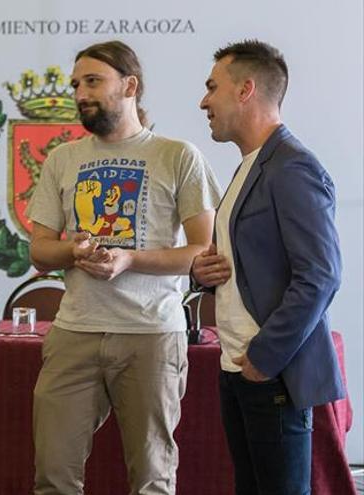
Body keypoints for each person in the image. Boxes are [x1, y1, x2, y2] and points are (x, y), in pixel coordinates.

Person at [27, 40, 221, 495]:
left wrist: (130, 258)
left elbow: (202, 250)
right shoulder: (62, 159)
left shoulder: (178, 155)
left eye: (93, 81)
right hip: (74, 331)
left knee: (152, 479)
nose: (80, 93)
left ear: (130, 85)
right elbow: (38, 250)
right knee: (53, 476)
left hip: (152, 334)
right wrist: (71, 251)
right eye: (76, 84)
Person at [193, 39, 343, 494]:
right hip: (238, 369)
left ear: (246, 90)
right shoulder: (249, 166)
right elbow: (250, 264)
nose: (203, 101)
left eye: (212, 87)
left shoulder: (292, 166)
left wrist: (264, 357)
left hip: (270, 372)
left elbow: (321, 274)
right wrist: (205, 274)